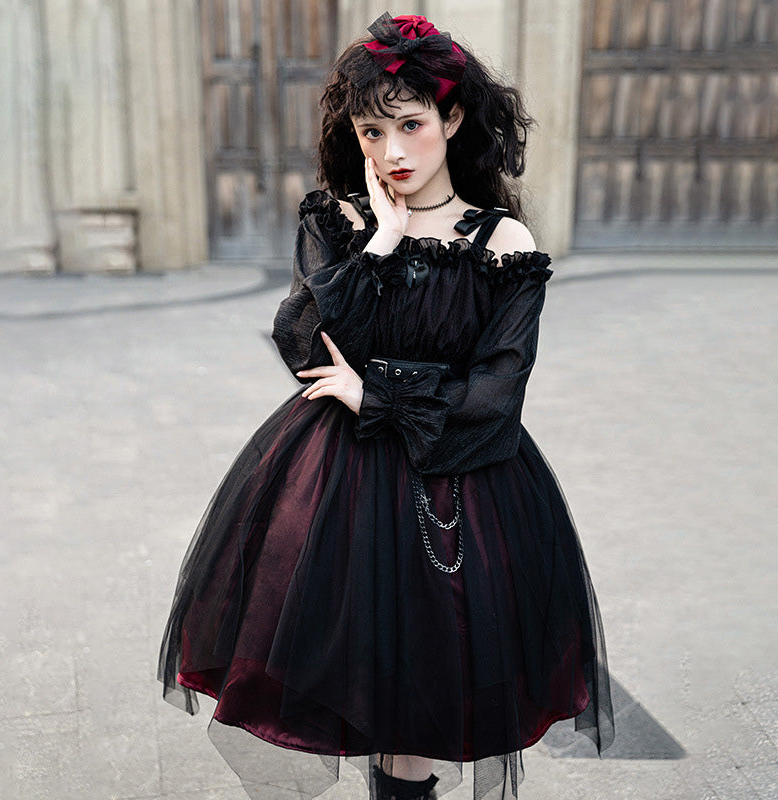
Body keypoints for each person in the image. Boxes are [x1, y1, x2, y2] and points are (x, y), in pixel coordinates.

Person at [158, 12, 614, 800]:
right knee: (354, 674)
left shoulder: (501, 242)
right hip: (336, 485)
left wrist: (377, 393)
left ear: (453, 119)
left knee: (424, 699)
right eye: (373, 131)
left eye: (411, 125)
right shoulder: (339, 221)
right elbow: (304, 342)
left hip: (458, 482)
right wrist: (381, 243)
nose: (392, 150)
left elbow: (496, 395)